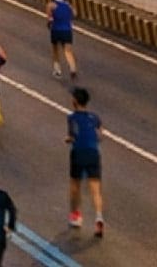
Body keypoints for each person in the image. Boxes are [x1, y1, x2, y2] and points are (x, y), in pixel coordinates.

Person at [65, 86, 105, 235]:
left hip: (78, 153)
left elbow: (72, 136)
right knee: (95, 187)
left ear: (75, 101)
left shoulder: (72, 118)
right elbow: (100, 135)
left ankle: (76, 215)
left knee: (75, 184)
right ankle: (99, 217)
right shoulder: (95, 118)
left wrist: (68, 139)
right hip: (93, 153)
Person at [47, 0, 79, 80]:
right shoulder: (68, 5)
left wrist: (49, 24)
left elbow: (49, 18)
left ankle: (57, 70)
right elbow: (75, 14)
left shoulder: (51, 5)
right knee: (68, 51)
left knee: (55, 50)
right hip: (67, 30)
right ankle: (73, 68)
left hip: (56, 29)